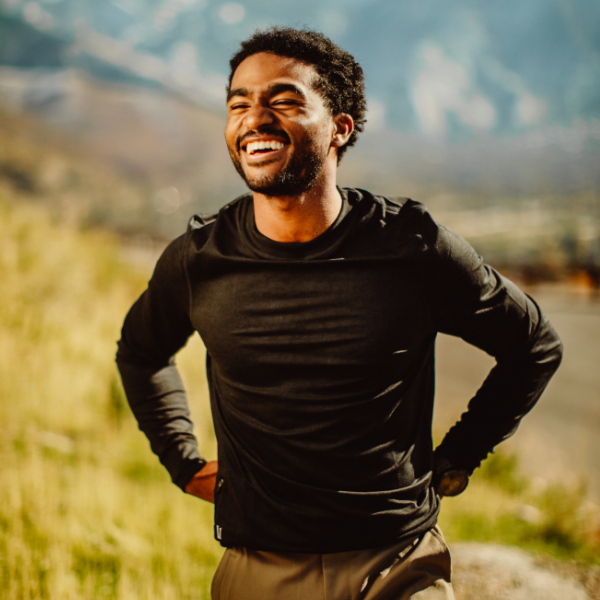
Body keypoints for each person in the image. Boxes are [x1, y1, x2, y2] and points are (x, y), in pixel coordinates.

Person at [116, 27, 563, 600]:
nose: (255, 117)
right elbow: (141, 352)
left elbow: (533, 345)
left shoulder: (414, 248)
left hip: (397, 562)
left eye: (283, 100)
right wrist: (182, 460)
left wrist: (460, 453)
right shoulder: (200, 259)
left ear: (339, 128)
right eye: (239, 103)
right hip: (259, 568)